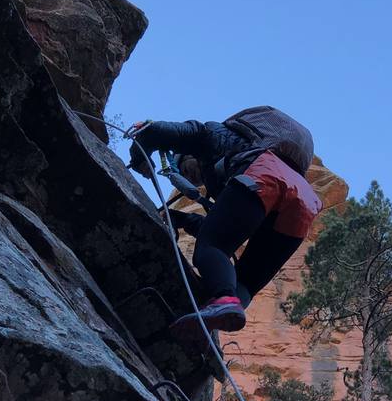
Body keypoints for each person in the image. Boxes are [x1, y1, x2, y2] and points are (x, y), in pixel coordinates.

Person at [126, 107, 322, 335]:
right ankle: (214, 323)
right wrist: (186, 219)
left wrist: (139, 155)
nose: (191, 178)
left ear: (189, 155)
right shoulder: (234, 167)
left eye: (186, 169)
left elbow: (159, 131)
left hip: (264, 173)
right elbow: (230, 228)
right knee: (246, 280)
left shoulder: (213, 135)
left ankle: (224, 302)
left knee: (210, 248)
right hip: (303, 200)